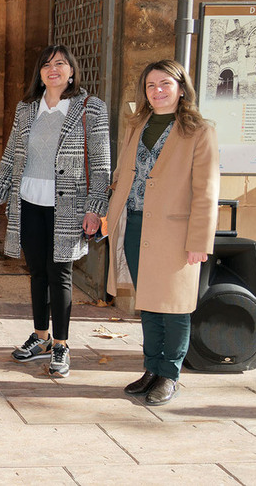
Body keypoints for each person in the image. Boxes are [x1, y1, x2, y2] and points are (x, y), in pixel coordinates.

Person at [0, 44, 111, 378]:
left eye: (60, 63)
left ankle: (61, 344)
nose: (52, 69)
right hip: (28, 202)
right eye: (46, 65)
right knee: (37, 272)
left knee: (60, 274)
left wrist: (95, 209)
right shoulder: (27, 109)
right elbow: (11, 154)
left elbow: (100, 166)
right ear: (39, 74)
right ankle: (40, 337)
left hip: (69, 207)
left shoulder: (90, 108)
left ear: (71, 71)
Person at [106, 59, 219, 406]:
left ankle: (169, 374)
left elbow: (207, 189)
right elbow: (124, 171)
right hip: (136, 221)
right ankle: (152, 367)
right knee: (149, 301)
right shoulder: (136, 123)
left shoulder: (199, 130)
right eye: (151, 85)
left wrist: (199, 241)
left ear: (181, 88)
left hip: (176, 230)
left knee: (175, 305)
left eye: (165, 84)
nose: (157, 91)